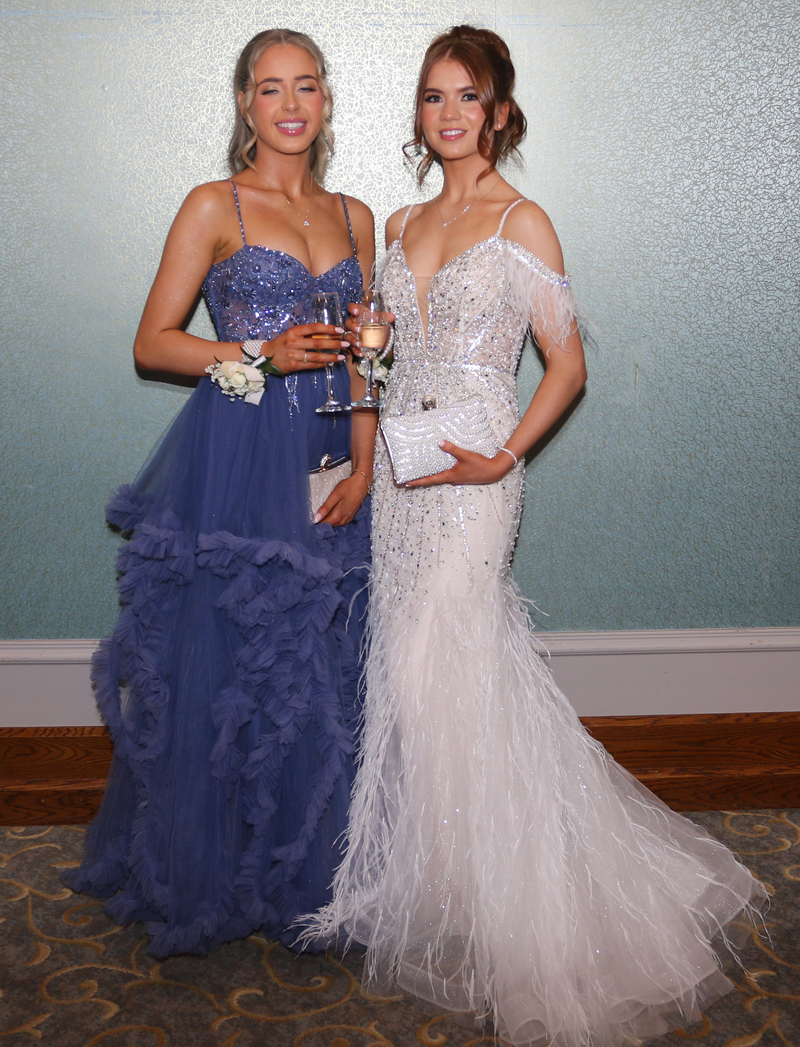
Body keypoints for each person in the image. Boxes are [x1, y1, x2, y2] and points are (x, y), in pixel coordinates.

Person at [301, 25, 766, 1047]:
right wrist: (367, 398)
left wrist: (504, 457)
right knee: (414, 681)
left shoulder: (524, 222)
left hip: (474, 473)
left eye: (467, 97)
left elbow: (566, 366)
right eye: (433, 97)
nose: (448, 114)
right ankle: (458, 886)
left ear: (499, 111)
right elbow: (379, 361)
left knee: (455, 666)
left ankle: (531, 909)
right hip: (405, 474)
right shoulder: (401, 223)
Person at [62, 29, 377, 958]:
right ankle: (212, 868)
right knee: (234, 658)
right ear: (245, 102)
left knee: (322, 658)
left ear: (326, 99)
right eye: (270, 87)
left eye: (306, 86)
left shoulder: (358, 215)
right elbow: (153, 342)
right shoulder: (214, 204)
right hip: (242, 452)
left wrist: (365, 464)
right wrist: (258, 352)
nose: (290, 104)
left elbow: (370, 356)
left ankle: (306, 869)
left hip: (333, 452)